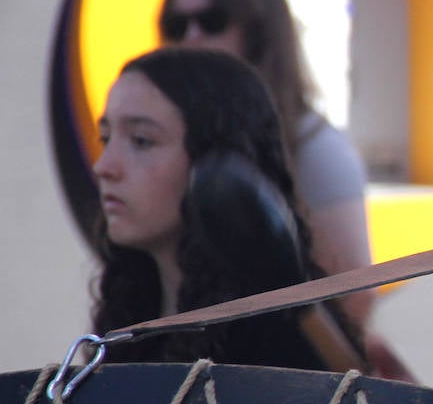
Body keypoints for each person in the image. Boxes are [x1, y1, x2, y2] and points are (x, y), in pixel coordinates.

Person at [92, 46, 363, 371]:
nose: (104, 167)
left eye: (141, 140)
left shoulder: (278, 339)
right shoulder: (127, 321)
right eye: (106, 138)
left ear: (217, 162)